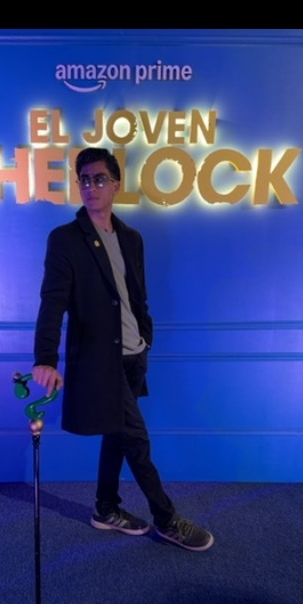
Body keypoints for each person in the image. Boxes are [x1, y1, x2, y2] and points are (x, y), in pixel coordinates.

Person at [32, 147, 214, 551]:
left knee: (117, 435)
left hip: (135, 355)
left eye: (99, 179)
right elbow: (53, 302)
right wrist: (45, 357)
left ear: (116, 185)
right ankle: (166, 519)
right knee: (136, 440)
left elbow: (136, 297)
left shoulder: (131, 238)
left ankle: (105, 508)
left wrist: (145, 337)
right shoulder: (65, 240)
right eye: (84, 180)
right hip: (101, 361)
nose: (90, 186)